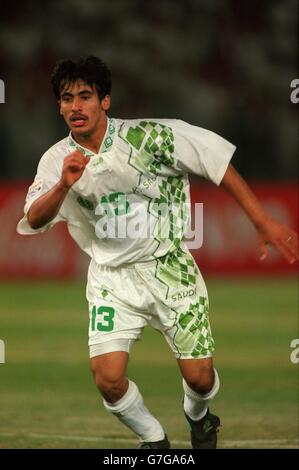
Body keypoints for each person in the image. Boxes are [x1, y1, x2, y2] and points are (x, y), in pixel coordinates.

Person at [17, 56, 298, 449]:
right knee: (108, 379)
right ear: (59, 106)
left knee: (200, 377)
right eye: (66, 98)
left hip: (170, 268)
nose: (75, 106)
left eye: (85, 96)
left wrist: (261, 220)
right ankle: (154, 441)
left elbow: (216, 162)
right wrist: (63, 185)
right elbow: (32, 218)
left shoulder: (151, 137)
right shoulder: (55, 159)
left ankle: (199, 418)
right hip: (111, 280)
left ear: (106, 101)